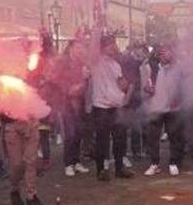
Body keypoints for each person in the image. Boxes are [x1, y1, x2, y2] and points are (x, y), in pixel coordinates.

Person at [89, 34, 133, 181]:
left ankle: (119, 167)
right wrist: (98, 27)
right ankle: (101, 169)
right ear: (102, 48)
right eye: (109, 44)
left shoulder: (116, 64)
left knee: (120, 138)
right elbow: (93, 47)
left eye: (114, 44)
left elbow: (121, 83)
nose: (113, 47)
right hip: (101, 107)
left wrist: (124, 86)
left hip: (117, 106)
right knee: (102, 139)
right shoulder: (96, 61)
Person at [143, 43, 186, 176]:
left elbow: (185, 87)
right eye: (161, 52)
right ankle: (154, 164)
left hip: (173, 108)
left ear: (172, 53)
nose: (163, 54)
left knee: (175, 136)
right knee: (152, 138)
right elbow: (146, 86)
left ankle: (174, 163)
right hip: (156, 107)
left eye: (166, 51)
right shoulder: (153, 68)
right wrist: (147, 89)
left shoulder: (179, 68)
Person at [54, 40, 92, 177]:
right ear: (71, 48)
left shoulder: (82, 64)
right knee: (70, 134)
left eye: (81, 47)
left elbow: (84, 83)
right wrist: (69, 88)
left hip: (79, 101)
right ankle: (68, 164)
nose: (80, 50)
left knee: (78, 133)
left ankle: (76, 161)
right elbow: (56, 80)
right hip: (66, 102)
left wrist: (85, 79)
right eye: (77, 47)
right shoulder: (63, 62)